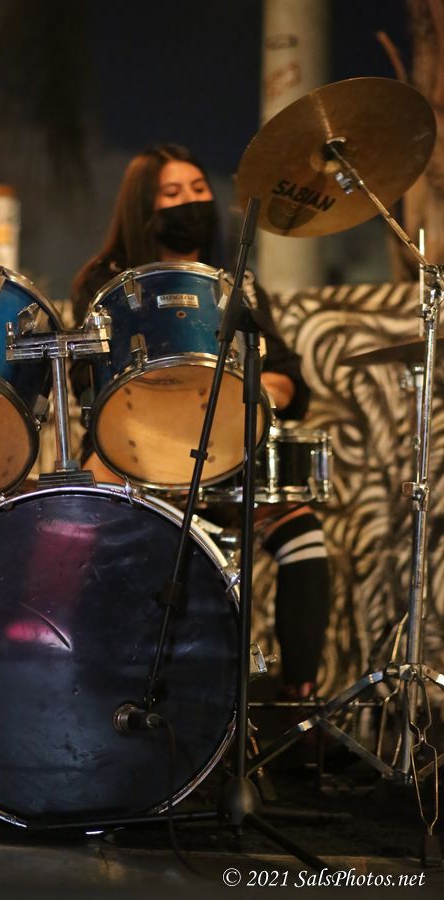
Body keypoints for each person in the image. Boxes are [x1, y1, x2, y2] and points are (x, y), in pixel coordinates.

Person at [70, 143, 330, 702]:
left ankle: (298, 704)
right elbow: (86, 388)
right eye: (172, 193)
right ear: (144, 206)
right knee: (93, 541)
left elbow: (289, 381)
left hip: (223, 461)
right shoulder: (103, 282)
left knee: (303, 534)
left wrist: (248, 390)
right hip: (134, 459)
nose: (189, 201)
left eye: (198, 189)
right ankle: (99, 687)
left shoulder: (236, 282)